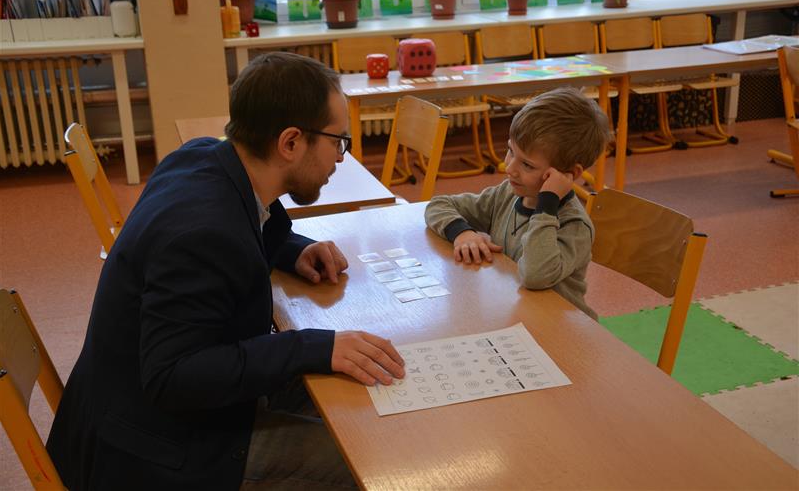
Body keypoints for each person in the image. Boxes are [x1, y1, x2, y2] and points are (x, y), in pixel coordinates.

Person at [47, 52, 405, 490]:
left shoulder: (202, 157)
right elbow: (173, 377)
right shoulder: (204, 234)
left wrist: (292, 250)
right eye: (338, 142)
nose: (341, 158)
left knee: (353, 394)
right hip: (153, 450)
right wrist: (311, 346)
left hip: (134, 409)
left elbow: (246, 222)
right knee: (368, 458)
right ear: (290, 142)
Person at [425, 87, 611, 320]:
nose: (509, 168)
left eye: (528, 165)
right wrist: (462, 233)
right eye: (510, 151)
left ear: (568, 174)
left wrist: (546, 205)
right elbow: (438, 205)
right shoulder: (507, 195)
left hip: (559, 328)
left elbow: (535, 274)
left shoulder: (574, 225)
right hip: (515, 315)